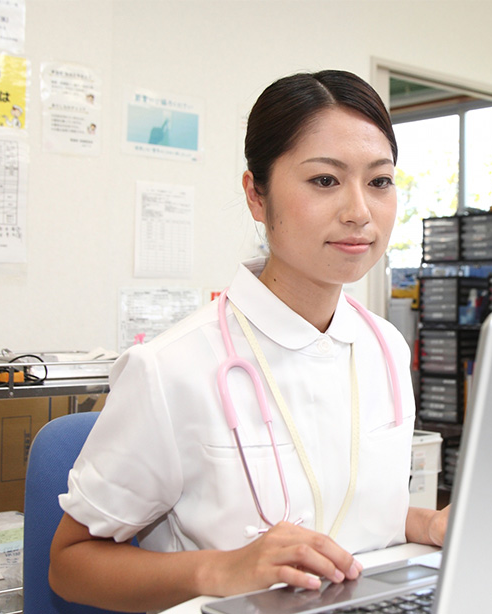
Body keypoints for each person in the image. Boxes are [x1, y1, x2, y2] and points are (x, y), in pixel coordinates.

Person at [50, 69, 450, 612]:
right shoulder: (172, 367)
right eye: (325, 180)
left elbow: (336, 505)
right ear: (256, 196)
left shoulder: (386, 347)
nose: (359, 211)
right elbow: (70, 564)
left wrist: (429, 522)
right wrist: (223, 568)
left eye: (379, 181)